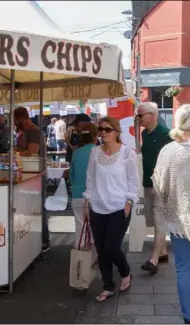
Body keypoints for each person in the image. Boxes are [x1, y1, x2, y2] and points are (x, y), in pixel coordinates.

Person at [83, 116, 139, 302]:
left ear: (116, 132)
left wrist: (129, 203)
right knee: (101, 249)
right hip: (98, 207)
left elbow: (133, 181)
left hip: (119, 207)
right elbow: (90, 179)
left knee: (111, 247)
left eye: (107, 129)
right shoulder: (95, 152)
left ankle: (126, 271)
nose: (103, 133)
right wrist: (87, 200)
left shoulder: (126, 153)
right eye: (101, 129)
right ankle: (107, 286)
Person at [152, 104, 190, 324]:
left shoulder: (168, 151)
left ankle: (188, 316)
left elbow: (159, 185)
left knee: (184, 268)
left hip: (179, 220)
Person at [136, 102, 173, 274]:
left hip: (161, 185)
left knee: (159, 221)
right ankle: (163, 252)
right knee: (152, 220)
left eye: (141, 115)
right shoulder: (144, 133)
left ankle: (154, 259)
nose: (139, 118)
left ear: (152, 115)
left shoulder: (166, 134)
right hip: (148, 183)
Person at [14, 106, 49, 252]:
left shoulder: (34, 131)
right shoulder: (25, 132)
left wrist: (15, 154)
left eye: (15, 119)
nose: (14, 122)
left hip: (37, 174)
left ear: (21, 118)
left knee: (38, 207)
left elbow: (32, 152)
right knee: (30, 208)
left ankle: (44, 241)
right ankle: (34, 240)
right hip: (29, 173)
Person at [70, 123, 98, 248]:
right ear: (96, 136)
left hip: (77, 194)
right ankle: (95, 258)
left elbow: (72, 176)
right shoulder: (100, 152)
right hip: (96, 195)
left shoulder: (76, 153)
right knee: (95, 228)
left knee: (80, 226)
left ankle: (80, 261)